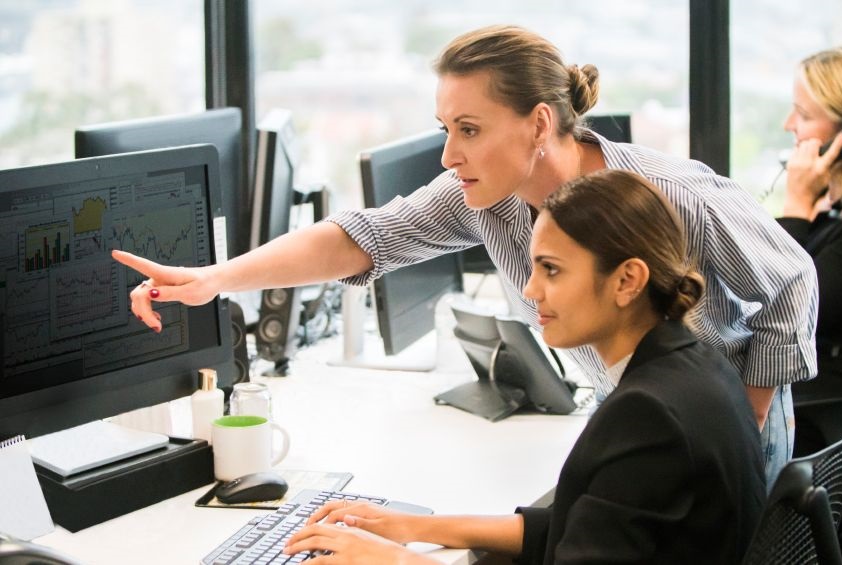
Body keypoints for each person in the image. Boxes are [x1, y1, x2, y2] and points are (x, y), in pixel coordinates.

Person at [112, 24, 816, 486]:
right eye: (445, 128)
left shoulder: (664, 195)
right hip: (636, 418)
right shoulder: (485, 198)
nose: (450, 155)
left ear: (538, 122)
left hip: (721, 424)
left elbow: (791, 281)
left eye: (470, 129)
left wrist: (748, 409)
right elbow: (363, 235)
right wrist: (214, 279)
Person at [282, 170, 767, 564]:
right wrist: (416, 527)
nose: (531, 290)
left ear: (627, 281)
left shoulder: (650, 414)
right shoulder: (697, 365)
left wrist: (397, 563)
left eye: (551, 269)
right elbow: (580, 527)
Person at [778, 45, 842, 456]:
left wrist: (796, 207)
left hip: (820, 435)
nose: (790, 125)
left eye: (804, 115)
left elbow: (788, 312)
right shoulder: (832, 216)